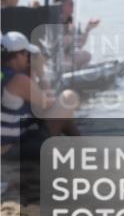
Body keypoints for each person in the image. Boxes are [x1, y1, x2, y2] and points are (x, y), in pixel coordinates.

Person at [1, 31, 77, 163]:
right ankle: (81, 142)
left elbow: (36, 109)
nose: (28, 58)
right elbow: (48, 104)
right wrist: (40, 71)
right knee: (68, 97)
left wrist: (32, 73)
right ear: (18, 55)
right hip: (11, 151)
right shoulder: (18, 80)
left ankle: (79, 140)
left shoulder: (5, 75)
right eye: (26, 54)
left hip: (12, 142)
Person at [51, 0, 99, 68]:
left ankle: (72, 67)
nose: (73, 6)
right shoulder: (53, 20)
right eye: (71, 4)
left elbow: (79, 44)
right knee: (69, 65)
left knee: (87, 55)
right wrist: (69, 37)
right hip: (53, 58)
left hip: (65, 57)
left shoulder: (70, 20)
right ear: (61, 6)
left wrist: (88, 29)